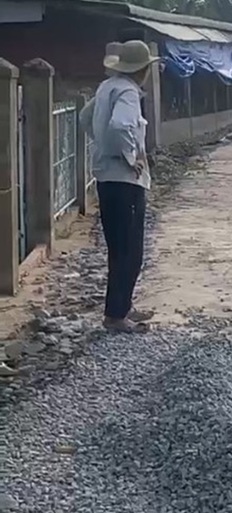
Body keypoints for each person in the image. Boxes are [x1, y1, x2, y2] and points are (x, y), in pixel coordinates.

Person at [79, 40, 159, 333]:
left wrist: (102, 146)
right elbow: (119, 126)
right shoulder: (127, 92)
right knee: (130, 249)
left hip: (106, 178)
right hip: (125, 180)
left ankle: (122, 307)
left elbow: (85, 118)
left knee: (118, 247)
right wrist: (129, 155)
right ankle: (116, 315)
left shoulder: (107, 87)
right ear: (143, 70)